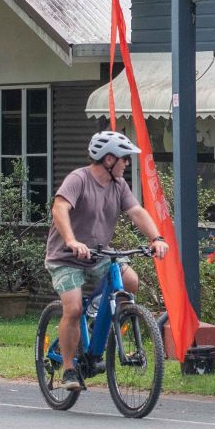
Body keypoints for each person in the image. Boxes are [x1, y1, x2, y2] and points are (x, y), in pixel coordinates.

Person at [46, 130, 169, 390]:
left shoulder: (118, 185)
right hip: (66, 257)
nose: (127, 163)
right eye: (125, 159)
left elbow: (136, 211)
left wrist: (156, 238)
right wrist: (71, 240)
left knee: (130, 282)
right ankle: (68, 369)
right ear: (109, 159)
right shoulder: (78, 179)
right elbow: (59, 208)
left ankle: (99, 316)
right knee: (74, 308)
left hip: (99, 253)